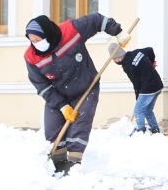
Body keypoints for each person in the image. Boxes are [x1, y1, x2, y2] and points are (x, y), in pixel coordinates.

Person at [25, 12, 125, 174]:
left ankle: (73, 164)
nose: (35, 44)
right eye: (32, 41)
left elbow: (96, 20)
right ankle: (58, 164)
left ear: (47, 34)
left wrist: (118, 32)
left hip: (85, 87)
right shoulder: (31, 57)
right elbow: (41, 85)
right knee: (53, 129)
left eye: (38, 40)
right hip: (57, 94)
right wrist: (62, 106)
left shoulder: (71, 30)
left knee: (79, 125)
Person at [117, 45, 164, 134]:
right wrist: (152, 63)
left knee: (138, 110)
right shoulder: (136, 52)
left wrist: (138, 96)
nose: (114, 61)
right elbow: (150, 50)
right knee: (148, 110)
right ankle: (155, 129)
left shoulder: (127, 66)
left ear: (118, 57)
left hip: (148, 87)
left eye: (114, 59)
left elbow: (136, 83)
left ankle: (141, 130)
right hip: (157, 84)